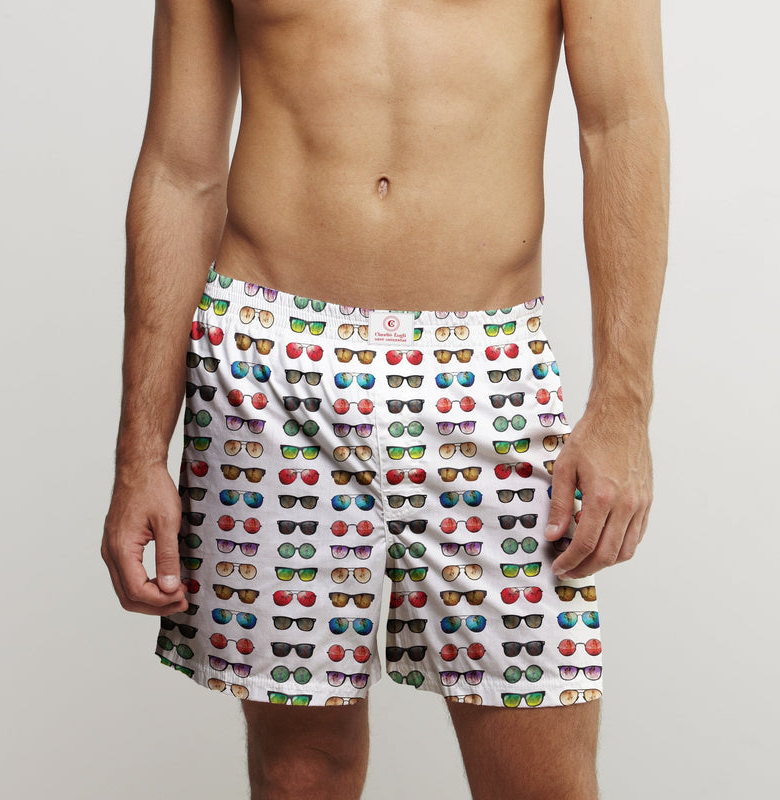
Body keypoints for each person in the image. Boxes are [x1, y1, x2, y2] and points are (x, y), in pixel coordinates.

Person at [101, 1, 668, 797]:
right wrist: (139, 455)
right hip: (267, 363)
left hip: (482, 367)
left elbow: (622, 125)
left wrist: (623, 406)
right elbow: (179, 169)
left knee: (539, 775)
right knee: (301, 769)